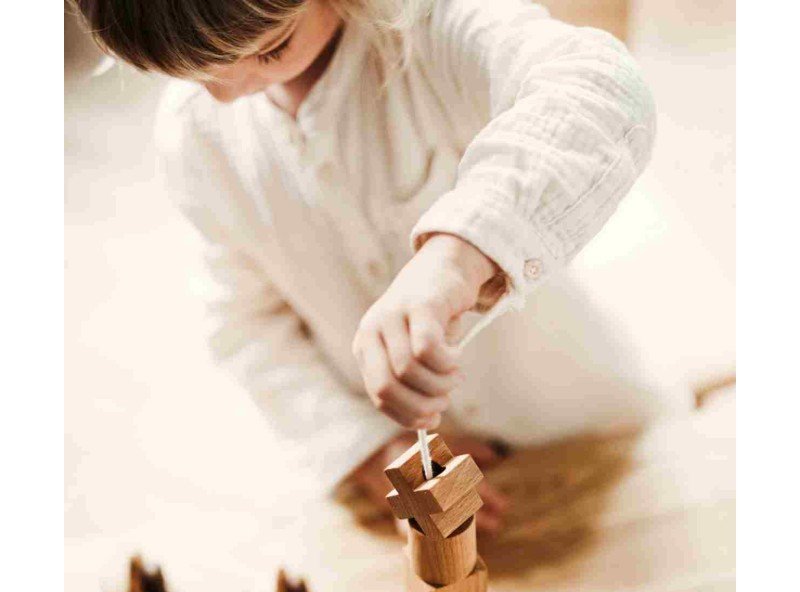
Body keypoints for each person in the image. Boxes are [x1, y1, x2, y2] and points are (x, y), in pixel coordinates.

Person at [71, 0, 684, 535]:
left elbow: (601, 88)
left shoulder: (431, 26)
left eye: (271, 49)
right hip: (405, 467)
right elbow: (245, 323)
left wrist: (456, 254)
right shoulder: (196, 138)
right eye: (195, 73)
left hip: (579, 424)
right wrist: (367, 448)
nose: (228, 92)